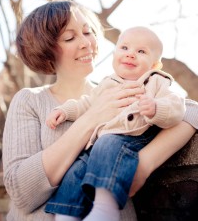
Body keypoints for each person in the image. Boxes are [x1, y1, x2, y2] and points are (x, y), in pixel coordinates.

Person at [2, 0, 197, 221]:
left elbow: (191, 111)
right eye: (70, 37)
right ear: (45, 50)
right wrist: (92, 118)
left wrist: (142, 165)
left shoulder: (125, 88)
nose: (86, 42)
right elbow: (21, 192)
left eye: (88, 32)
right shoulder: (30, 100)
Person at [44, 27, 185, 221]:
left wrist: (155, 108)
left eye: (141, 51)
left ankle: (105, 208)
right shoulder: (107, 83)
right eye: (124, 47)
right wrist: (65, 111)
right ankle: (65, 213)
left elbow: (177, 107)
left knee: (108, 143)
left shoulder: (156, 82)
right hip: (98, 144)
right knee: (76, 168)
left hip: (133, 137)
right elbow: (86, 104)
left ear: (154, 65)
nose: (130, 54)